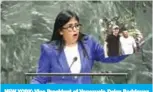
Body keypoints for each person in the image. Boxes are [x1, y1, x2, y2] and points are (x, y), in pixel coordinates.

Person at [31, 10, 128, 84]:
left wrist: (128, 47)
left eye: (77, 26)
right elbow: (39, 80)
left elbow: (110, 56)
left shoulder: (89, 43)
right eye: (70, 27)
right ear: (60, 31)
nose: (75, 30)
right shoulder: (49, 50)